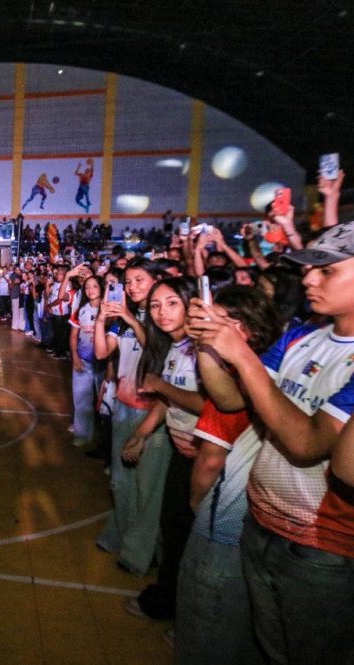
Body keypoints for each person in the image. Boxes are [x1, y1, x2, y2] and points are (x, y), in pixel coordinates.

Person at [189, 219, 354, 664]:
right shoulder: (301, 336)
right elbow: (232, 399)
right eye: (310, 269)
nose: (309, 279)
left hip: (327, 549)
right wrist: (208, 344)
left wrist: (240, 354)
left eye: (327, 271)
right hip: (263, 523)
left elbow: (307, 443)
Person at [175, 285, 282, 665]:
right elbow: (224, 397)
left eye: (218, 321)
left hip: (226, 522)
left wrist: (199, 509)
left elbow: (210, 459)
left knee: (209, 627)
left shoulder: (252, 378)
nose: (207, 327)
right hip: (259, 527)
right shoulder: (257, 374)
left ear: (246, 328)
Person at [122, 277, 202, 621]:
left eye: (172, 303)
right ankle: (170, 598)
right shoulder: (175, 347)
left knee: (191, 535)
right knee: (174, 527)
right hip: (184, 453)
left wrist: (160, 386)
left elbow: (213, 404)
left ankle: (184, 609)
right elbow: (167, 401)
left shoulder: (204, 350)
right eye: (155, 305)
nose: (162, 312)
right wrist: (141, 433)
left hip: (207, 460)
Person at [93, 259, 169, 576]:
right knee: (120, 480)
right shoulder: (126, 319)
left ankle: (141, 552)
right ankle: (121, 534)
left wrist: (129, 318)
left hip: (152, 411)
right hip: (124, 405)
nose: (132, 287)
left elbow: (156, 352)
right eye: (128, 282)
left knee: (147, 486)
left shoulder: (163, 317)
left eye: (139, 280)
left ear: (156, 280)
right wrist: (101, 320)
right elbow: (101, 352)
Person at [69, 274, 104, 448]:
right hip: (84, 361)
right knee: (81, 400)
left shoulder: (109, 310)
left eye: (95, 286)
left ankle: (105, 442)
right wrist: (75, 357)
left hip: (103, 364)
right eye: (87, 287)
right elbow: (73, 336)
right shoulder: (80, 310)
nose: (90, 290)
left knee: (105, 405)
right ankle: (82, 433)